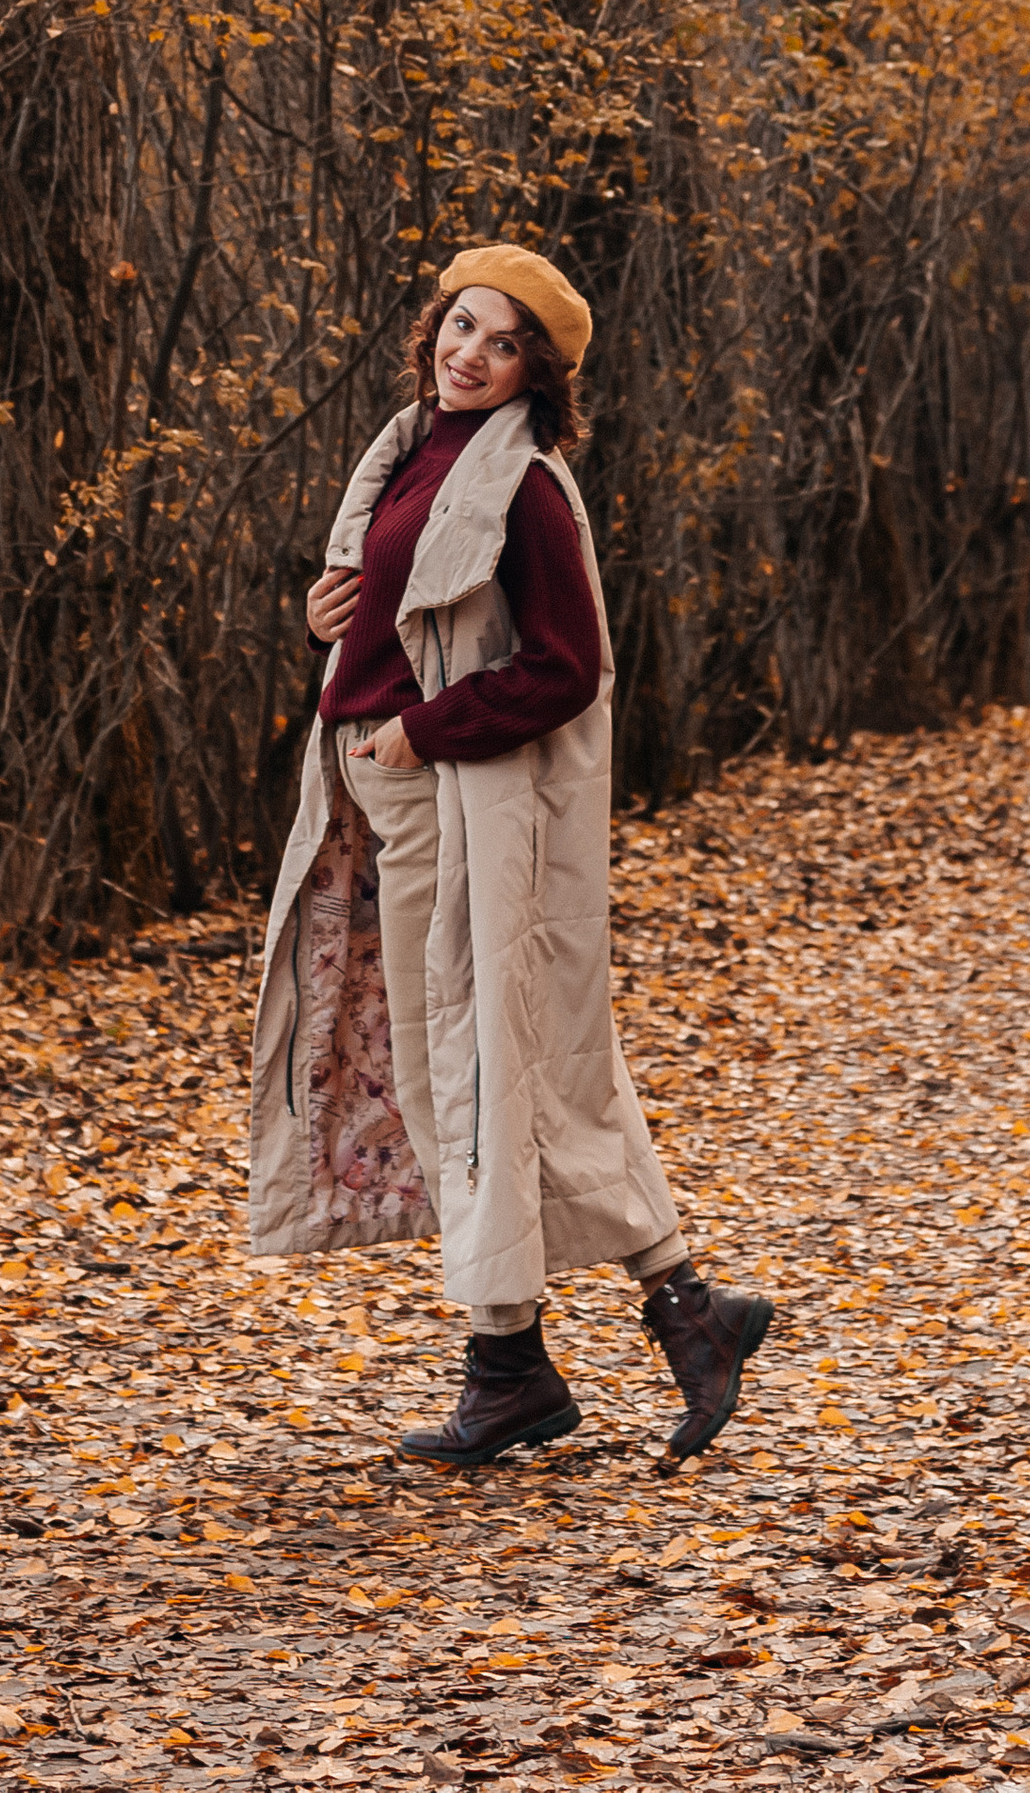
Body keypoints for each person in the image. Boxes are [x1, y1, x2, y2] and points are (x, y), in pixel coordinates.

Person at [248, 243, 776, 1466]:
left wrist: (417, 730)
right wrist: (335, 615)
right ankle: (658, 1319)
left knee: (475, 1066)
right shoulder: (410, 449)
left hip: (448, 792)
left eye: (500, 343)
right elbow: (402, 608)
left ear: (537, 370)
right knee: (486, 1062)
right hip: (377, 789)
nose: (467, 352)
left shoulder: (526, 483)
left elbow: (563, 666)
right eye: (460, 325)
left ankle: (528, 1360)